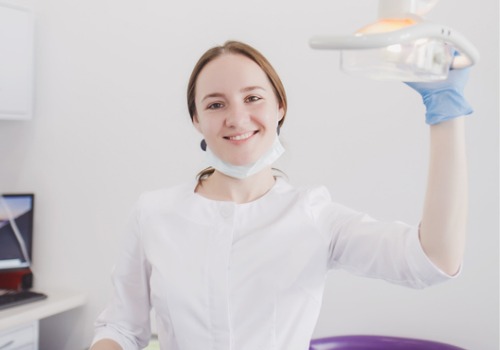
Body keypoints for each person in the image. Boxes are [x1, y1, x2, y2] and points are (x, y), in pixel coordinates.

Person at [90, 40, 472, 350]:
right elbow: (121, 327)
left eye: (253, 98)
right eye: (215, 104)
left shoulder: (314, 216)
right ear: (196, 120)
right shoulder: (154, 213)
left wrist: (446, 115)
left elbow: (432, 260)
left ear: (280, 107)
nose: (237, 118)